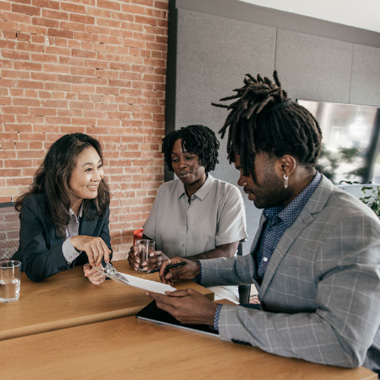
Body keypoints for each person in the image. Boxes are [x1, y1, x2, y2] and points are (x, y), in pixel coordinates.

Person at [148, 72, 380, 375]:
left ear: (285, 166)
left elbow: (340, 342)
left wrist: (216, 315)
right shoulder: (281, 207)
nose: (241, 181)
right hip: (278, 355)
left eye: (246, 170)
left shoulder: (353, 225)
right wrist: (198, 268)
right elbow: (259, 265)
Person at [128, 124, 247, 274]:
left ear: (204, 156)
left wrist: (173, 263)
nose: (181, 165)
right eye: (175, 159)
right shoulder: (165, 191)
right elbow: (147, 239)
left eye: (189, 157)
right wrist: (142, 252)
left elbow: (226, 253)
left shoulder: (228, 194)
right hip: (166, 279)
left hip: (213, 283)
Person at [12, 133, 112, 284]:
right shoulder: (34, 206)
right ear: (63, 173)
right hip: (30, 289)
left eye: (99, 166)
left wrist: (98, 268)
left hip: (73, 288)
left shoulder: (100, 202)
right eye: (88, 169)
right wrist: (73, 243)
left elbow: (105, 253)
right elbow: (34, 268)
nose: (98, 177)